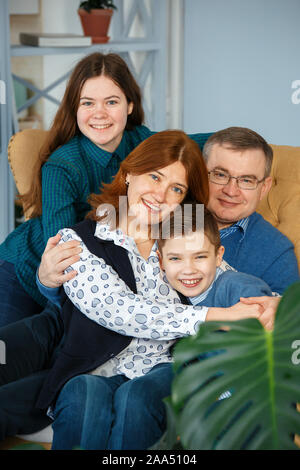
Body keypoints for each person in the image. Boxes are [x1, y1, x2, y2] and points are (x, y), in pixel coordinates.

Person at [34, 134, 266, 451]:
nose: (160, 194)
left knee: (136, 399)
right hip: (96, 366)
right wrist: (218, 316)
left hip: (164, 367)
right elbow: (118, 309)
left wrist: (270, 306)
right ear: (129, 172)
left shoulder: (182, 241)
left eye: (177, 189)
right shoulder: (75, 241)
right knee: (82, 395)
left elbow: (229, 283)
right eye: (155, 176)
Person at [0, 51, 213, 327]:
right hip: (26, 272)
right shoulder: (63, 166)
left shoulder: (139, 141)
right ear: (74, 109)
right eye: (87, 103)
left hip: (88, 279)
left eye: (111, 102)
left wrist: (240, 147)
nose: (99, 114)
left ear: (130, 106)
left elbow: (189, 144)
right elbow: (65, 252)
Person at [202, 126, 299, 295]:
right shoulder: (171, 215)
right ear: (201, 174)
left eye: (246, 180)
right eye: (220, 175)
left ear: (264, 188)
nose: (231, 191)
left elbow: (287, 319)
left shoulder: (277, 253)